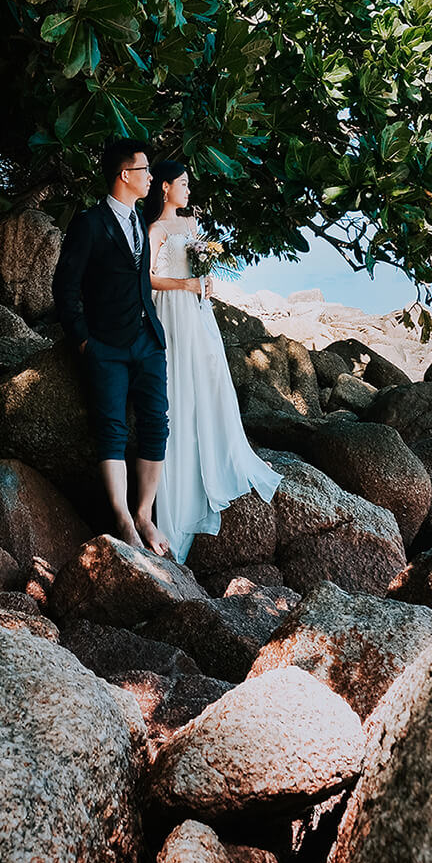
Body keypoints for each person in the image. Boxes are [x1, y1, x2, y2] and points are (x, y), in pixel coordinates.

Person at [143, 159, 281, 563]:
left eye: (189, 183)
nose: (188, 190)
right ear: (164, 188)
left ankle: (220, 448)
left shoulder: (190, 226)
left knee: (211, 376)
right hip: (172, 308)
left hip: (198, 310)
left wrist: (205, 281)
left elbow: (199, 264)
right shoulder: (156, 230)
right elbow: (147, 277)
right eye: (182, 184)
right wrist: (186, 283)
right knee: (179, 385)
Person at [52, 139, 173, 555]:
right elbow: (65, 287)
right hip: (106, 345)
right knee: (112, 430)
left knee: (157, 422)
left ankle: (144, 513)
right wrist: (85, 341)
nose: (151, 178)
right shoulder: (89, 223)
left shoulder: (142, 219)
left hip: (147, 340)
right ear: (125, 175)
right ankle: (122, 518)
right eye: (145, 171)